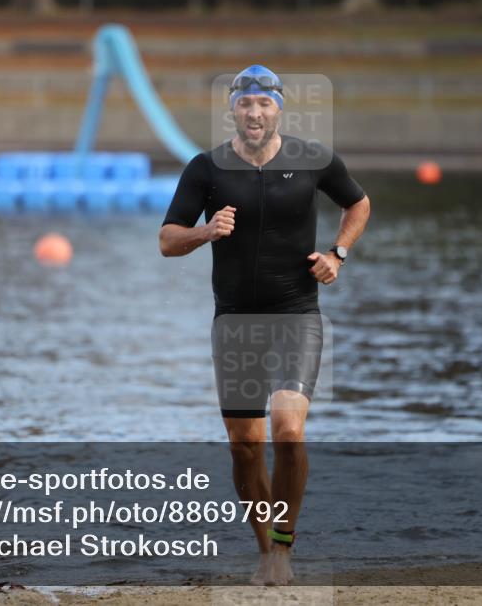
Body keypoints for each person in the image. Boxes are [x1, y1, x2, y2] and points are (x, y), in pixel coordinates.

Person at [159, 65, 370, 585]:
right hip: (234, 321)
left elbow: (358, 202)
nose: (255, 113)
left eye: (265, 104)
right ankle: (268, 554)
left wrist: (338, 254)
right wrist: (206, 231)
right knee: (245, 445)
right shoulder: (206, 169)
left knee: (288, 430)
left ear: (280, 109)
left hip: (297, 314)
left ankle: (283, 545)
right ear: (233, 109)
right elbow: (167, 240)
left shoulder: (314, 159)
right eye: (245, 104)